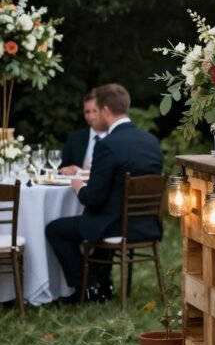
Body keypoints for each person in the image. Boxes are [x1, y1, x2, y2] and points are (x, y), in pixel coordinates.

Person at [46, 84, 164, 302]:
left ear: (106, 111)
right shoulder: (151, 142)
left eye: (97, 111)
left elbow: (94, 198)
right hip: (147, 224)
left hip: (115, 225)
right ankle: (98, 283)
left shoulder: (108, 145)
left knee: (55, 229)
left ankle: (87, 286)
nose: (95, 116)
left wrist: (78, 186)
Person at [60, 91, 107, 175]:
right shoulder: (75, 138)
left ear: (104, 111)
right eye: (87, 112)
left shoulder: (116, 137)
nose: (91, 116)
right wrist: (65, 170)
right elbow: (61, 167)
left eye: (95, 111)